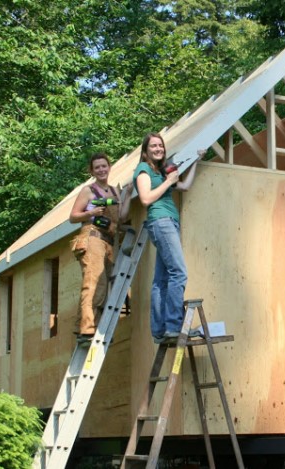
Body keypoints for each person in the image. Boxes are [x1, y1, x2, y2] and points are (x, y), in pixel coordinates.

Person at [133, 132, 205, 344]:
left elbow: (184, 186)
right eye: (153, 146)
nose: (158, 149)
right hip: (160, 221)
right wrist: (168, 182)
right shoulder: (143, 170)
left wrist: (195, 163)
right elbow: (145, 199)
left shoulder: (161, 171)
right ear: (146, 150)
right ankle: (174, 326)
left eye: (160, 146)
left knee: (162, 280)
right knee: (179, 273)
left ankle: (160, 330)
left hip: (170, 222)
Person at [70, 153, 132, 344]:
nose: (101, 170)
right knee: (94, 283)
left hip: (108, 242)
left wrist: (128, 194)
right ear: (92, 171)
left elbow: (121, 217)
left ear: (109, 167)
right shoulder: (88, 191)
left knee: (103, 288)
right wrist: (91, 212)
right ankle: (87, 330)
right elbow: (73, 217)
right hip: (93, 237)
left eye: (104, 166)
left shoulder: (114, 192)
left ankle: (88, 328)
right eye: (97, 167)